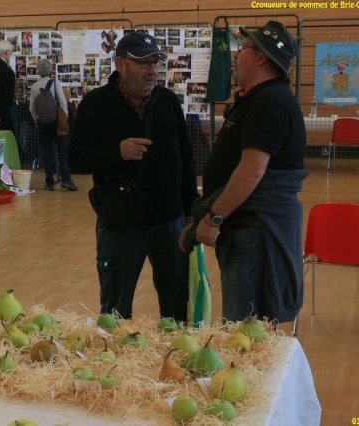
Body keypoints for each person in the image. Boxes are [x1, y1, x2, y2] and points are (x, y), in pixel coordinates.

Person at [69, 32, 198, 321]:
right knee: (115, 309)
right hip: (120, 223)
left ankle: (175, 349)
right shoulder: (95, 104)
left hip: (169, 221)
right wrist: (116, 151)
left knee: (177, 305)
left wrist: (191, 212)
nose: (151, 70)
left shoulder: (168, 102)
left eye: (154, 62)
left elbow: (186, 159)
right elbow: (75, 159)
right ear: (120, 64)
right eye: (142, 63)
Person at [187, 21, 307, 323]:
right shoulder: (259, 98)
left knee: (242, 331)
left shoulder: (270, 101)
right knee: (244, 329)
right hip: (247, 227)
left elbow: (252, 170)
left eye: (243, 48)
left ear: (261, 58)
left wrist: (213, 218)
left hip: (254, 230)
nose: (236, 55)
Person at [28, 58, 77, 191]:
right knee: (62, 151)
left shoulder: (34, 87)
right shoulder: (55, 83)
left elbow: (31, 108)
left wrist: (37, 119)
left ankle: (49, 182)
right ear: (50, 69)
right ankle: (66, 180)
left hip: (43, 123)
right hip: (56, 123)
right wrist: (64, 118)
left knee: (47, 153)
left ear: (38, 70)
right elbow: (63, 103)